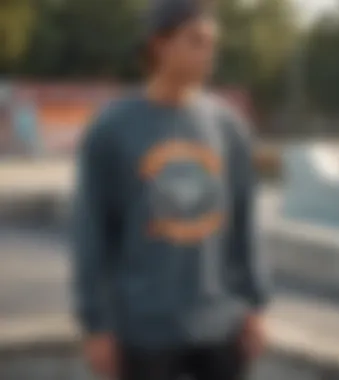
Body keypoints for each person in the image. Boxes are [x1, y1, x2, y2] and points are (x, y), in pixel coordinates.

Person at [72, 0, 269, 379]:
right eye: (196, 41)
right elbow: (91, 235)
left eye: (212, 42)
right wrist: (96, 326)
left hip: (221, 327)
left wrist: (255, 306)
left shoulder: (229, 127)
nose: (209, 53)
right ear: (159, 45)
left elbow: (244, 223)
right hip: (145, 333)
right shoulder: (112, 129)